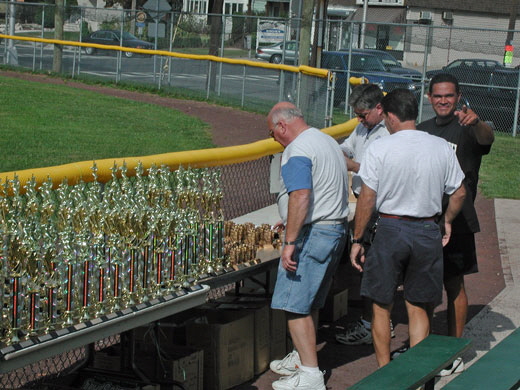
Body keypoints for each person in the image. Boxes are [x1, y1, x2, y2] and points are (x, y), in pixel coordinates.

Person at [350, 89, 466, 367]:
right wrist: (447, 220)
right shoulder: (440, 146)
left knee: (381, 304)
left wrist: (358, 238)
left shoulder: (380, 147)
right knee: (419, 307)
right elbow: (459, 193)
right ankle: (416, 373)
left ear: (390, 116)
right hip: (427, 229)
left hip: (390, 228)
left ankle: (384, 371)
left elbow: (367, 197)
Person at [267, 102, 349, 390]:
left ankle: (311, 375)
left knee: (294, 305)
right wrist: (292, 222)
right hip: (334, 227)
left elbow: (301, 195)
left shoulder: (296, 149)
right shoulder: (325, 139)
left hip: (316, 232)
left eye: (272, 133)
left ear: (282, 126)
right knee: (309, 300)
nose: (274, 139)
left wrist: (290, 241)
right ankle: (303, 360)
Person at [417, 73, 494, 375]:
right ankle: (420, 346)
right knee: (420, 285)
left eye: (449, 96)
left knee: (454, 284)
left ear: (459, 96)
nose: (443, 101)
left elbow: (488, 139)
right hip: (424, 219)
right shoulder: (423, 131)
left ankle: (455, 349)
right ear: (429, 98)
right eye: (438, 96)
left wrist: (476, 122)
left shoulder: (468, 127)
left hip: (457, 220)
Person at [335, 84, 392, 346]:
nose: (359, 119)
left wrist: (354, 165)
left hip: (379, 207)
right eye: (357, 114)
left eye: (363, 114)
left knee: (373, 267)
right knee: (366, 267)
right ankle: (374, 322)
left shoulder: (388, 131)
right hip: (362, 203)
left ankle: (375, 324)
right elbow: (348, 147)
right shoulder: (364, 127)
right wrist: (336, 151)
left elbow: (376, 171)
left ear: (379, 108)